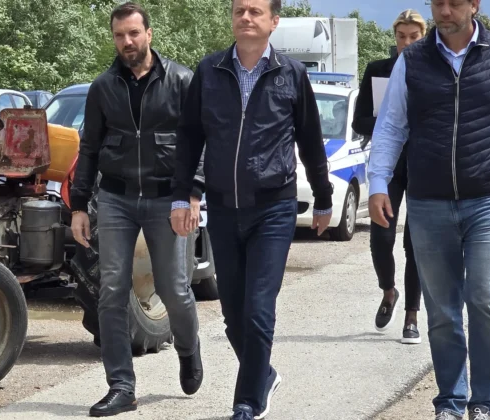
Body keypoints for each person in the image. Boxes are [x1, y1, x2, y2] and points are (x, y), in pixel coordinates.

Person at [367, 1, 490, 419]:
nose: (445, 11)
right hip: (428, 200)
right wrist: (378, 182)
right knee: (441, 310)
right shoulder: (413, 60)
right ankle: (451, 402)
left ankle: (484, 403)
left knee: (485, 297)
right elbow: (392, 125)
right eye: (438, 3)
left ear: (474, 5)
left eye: (455, 3)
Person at [170, 0, 333, 418]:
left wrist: (323, 197)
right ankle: (264, 375)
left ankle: (247, 403)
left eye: (255, 11)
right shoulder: (209, 71)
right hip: (224, 209)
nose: (245, 17)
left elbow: (310, 139)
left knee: (259, 310)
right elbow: (190, 137)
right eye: (239, 10)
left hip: (273, 208)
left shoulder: (291, 74)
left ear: (273, 21)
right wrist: (184, 194)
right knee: (232, 313)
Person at [69, 2, 205, 417]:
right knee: (111, 290)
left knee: (174, 289)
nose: (126, 42)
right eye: (119, 35)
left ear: (148, 34)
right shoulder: (103, 87)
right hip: (116, 198)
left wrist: (192, 194)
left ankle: (188, 348)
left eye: (133, 33)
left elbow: (200, 141)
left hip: (168, 198)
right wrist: (79, 205)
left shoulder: (181, 80)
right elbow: (89, 147)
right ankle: (121, 387)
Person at [352, 9, 426, 345]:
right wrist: (390, 119)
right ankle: (388, 291)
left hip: (424, 166)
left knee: (415, 243)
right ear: (394, 37)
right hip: (389, 166)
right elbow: (359, 122)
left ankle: (412, 316)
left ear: (423, 37)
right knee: (381, 237)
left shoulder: (433, 70)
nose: (406, 43)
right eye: (401, 36)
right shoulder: (377, 70)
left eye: (413, 37)